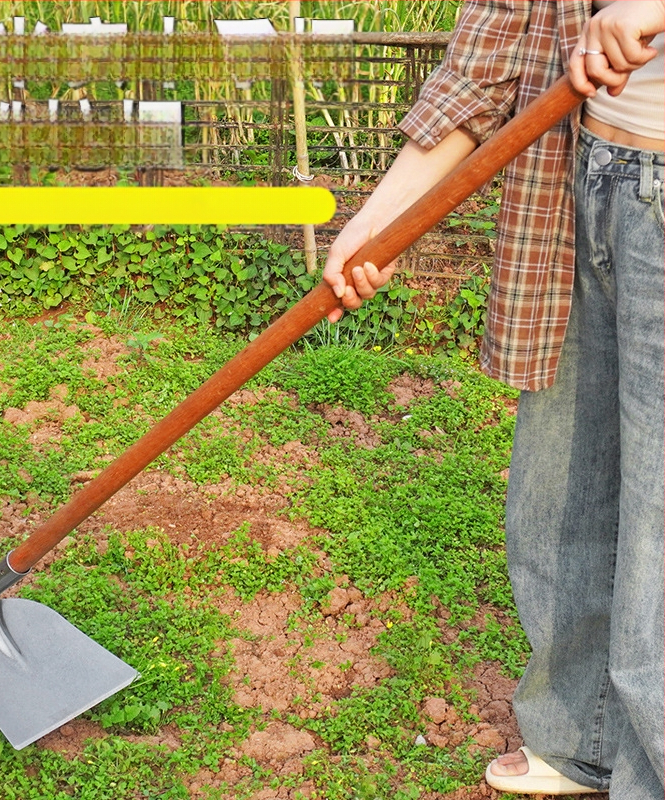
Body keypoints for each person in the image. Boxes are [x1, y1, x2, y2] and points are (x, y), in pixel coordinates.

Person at [323, 2, 664, 797]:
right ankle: (582, 735)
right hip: (582, 181)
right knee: (558, 495)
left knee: (659, 526)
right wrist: (377, 220)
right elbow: (483, 61)